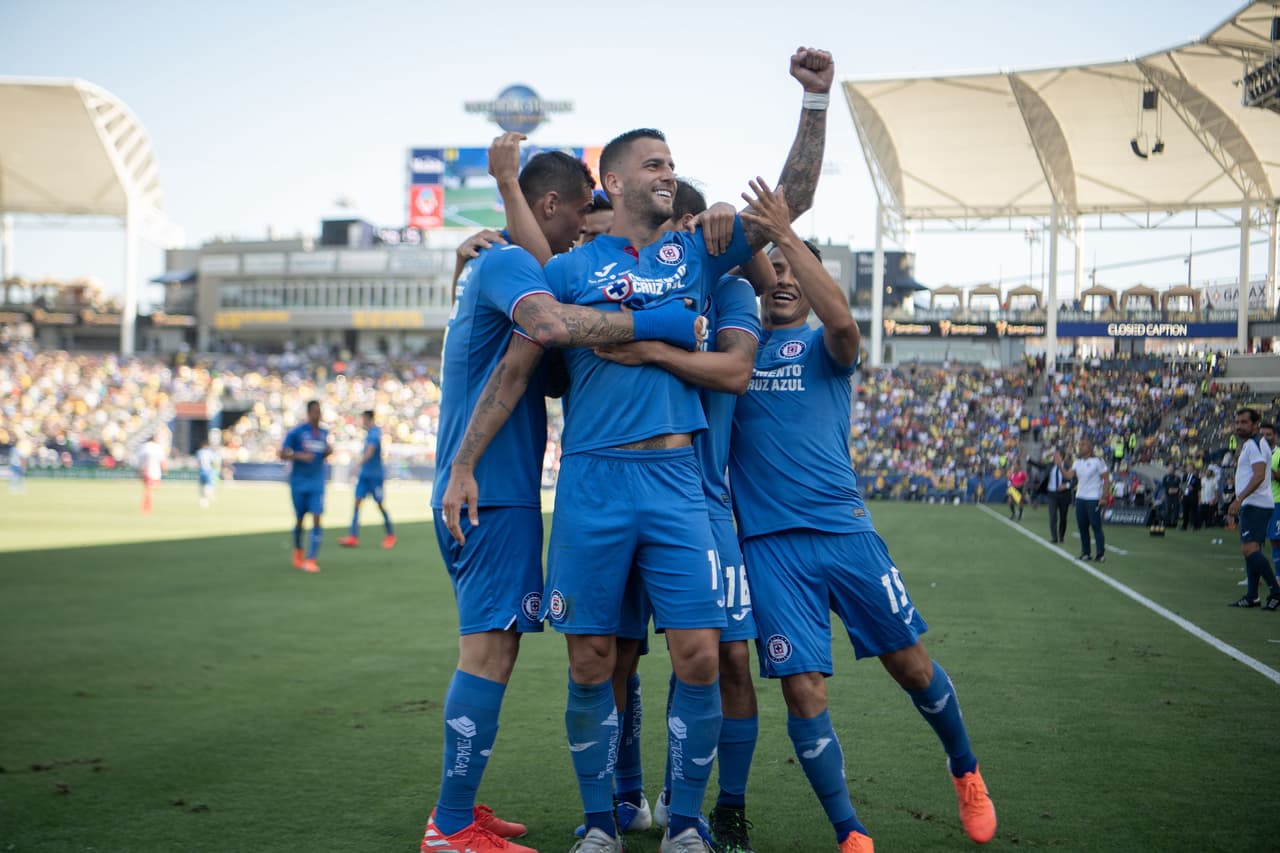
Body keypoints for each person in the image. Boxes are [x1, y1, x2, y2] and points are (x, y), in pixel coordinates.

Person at [442, 48, 835, 853]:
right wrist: (463, 462)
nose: (669, 173)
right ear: (614, 182)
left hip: (676, 478)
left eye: (673, 164)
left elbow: (788, 203)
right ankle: (600, 824)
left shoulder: (696, 252)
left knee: (698, 654)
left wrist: (816, 103)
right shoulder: (568, 269)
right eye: (654, 163)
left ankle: (686, 822)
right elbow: (518, 366)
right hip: (592, 478)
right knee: (590, 659)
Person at [420, 145, 707, 853]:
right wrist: (661, 326)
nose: (586, 229)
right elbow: (550, 326)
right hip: (492, 492)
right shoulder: (513, 265)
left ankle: (461, 810)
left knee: (499, 647)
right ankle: (450, 825)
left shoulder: (492, 265)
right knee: (488, 653)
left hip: (498, 486)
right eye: (581, 212)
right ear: (549, 206)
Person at [724, 178, 995, 853]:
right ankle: (850, 831)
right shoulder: (735, 352)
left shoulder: (825, 346)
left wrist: (784, 232)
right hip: (769, 548)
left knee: (911, 665)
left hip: (845, 533)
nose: (783, 279)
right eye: (773, 270)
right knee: (802, 690)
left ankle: (965, 768)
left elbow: (844, 324)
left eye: (794, 269)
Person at [592, 178, 771, 853]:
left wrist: (653, 347)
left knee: (720, 655)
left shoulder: (727, 289)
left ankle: (699, 801)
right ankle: (625, 794)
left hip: (703, 501)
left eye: (679, 227)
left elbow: (735, 370)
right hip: (619, 492)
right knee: (615, 654)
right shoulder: (616, 284)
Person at [1227, 409, 1279, 609]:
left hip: (1255, 504)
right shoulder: (1255, 443)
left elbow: (1258, 475)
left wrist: (1239, 499)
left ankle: (1275, 591)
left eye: (1244, 422)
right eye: (1237, 422)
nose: (1239, 426)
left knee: (1248, 549)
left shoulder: (1255, 444)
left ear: (1255, 424)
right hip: (1257, 503)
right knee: (1252, 550)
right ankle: (1252, 596)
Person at [279, 400, 331, 573]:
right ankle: (298, 551)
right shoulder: (297, 432)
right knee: (300, 519)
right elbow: (282, 453)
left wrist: (328, 451)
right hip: (299, 482)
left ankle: (311, 559)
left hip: (317, 482)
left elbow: (323, 452)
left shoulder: (323, 433)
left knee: (317, 517)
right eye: (315, 411)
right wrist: (299, 456)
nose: (318, 414)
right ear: (309, 413)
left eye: (319, 411)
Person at [338, 410, 396, 549]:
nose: (361, 421)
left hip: (375, 476)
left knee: (380, 505)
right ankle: (353, 536)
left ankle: (390, 535)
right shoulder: (370, 433)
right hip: (365, 476)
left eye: (363, 418)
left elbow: (370, 451)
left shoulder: (375, 433)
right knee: (357, 503)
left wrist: (358, 465)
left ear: (368, 418)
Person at [1065, 439, 1109, 562]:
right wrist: (1059, 465)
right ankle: (1086, 553)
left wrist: (1104, 496)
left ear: (1090, 448)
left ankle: (1100, 553)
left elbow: (1106, 478)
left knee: (1095, 525)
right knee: (1082, 526)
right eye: (1079, 445)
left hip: (1093, 498)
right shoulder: (1077, 462)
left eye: (1083, 445)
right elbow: (1068, 476)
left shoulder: (1098, 461)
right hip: (1080, 497)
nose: (1080, 447)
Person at [1263, 423, 1280, 579]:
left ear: (1275, 436)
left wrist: (1270, 469)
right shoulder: (1259, 453)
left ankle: (1278, 575)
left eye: (1268, 434)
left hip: (1277, 502)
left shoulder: (1278, 454)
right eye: (1263, 435)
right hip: (1262, 503)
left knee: (1276, 540)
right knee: (1259, 540)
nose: (1265, 438)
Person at [1045, 449, 1072, 544]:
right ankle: (1054, 537)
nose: (1054, 457)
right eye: (1054, 456)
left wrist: (1066, 486)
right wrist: (1028, 459)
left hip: (1064, 495)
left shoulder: (1068, 466)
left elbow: (1075, 480)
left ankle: (1061, 536)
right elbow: (1039, 465)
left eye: (1057, 456)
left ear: (1062, 457)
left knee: (1063, 517)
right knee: (1053, 516)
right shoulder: (1050, 465)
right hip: (1052, 494)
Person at [137, 434, 166, 514]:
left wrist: (139, 471)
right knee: (150, 489)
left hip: (146, 471)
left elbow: (140, 460)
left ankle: (146, 507)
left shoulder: (144, 447)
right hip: (154, 472)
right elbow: (162, 461)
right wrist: (164, 469)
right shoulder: (158, 447)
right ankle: (146, 508)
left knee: (149, 489)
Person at [196, 439, 218, 508]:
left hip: (201, 471)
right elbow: (213, 462)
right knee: (209, 485)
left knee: (202, 486)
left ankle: (203, 500)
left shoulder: (199, 452)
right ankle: (208, 496)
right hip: (208, 471)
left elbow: (198, 463)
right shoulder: (210, 452)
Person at [1179, 464, 1201, 531]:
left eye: (1190, 467)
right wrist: (1181, 494)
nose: (1189, 469)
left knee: (1193, 511)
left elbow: (1198, 488)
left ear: (1193, 469)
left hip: (1193, 496)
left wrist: (1193, 488)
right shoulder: (1185, 476)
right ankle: (1184, 525)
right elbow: (1182, 485)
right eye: (1188, 467)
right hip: (1185, 496)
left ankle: (1194, 525)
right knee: (1185, 511)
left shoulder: (1196, 478)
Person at [1159, 464, 1180, 529]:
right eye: (1169, 468)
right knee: (1167, 509)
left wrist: (1175, 490)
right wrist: (1168, 490)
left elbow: (1179, 486)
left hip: (1175, 496)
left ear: (1174, 470)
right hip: (1168, 496)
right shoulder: (1166, 477)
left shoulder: (1177, 478)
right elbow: (1164, 486)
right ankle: (1167, 523)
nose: (1170, 470)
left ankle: (1174, 523)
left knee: (1176, 509)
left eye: (1171, 468)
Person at [1200, 464, 1221, 528]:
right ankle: (1203, 523)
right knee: (1203, 511)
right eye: (1207, 471)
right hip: (1203, 498)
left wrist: (1216, 498)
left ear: (1211, 473)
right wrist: (1200, 498)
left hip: (1211, 498)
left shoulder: (1214, 480)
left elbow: (1216, 490)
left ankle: (1209, 524)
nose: (1207, 473)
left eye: (1209, 472)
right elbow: (1201, 489)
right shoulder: (1202, 479)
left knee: (1210, 512)